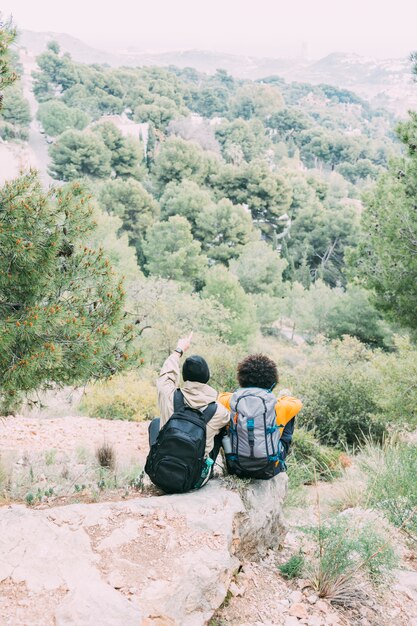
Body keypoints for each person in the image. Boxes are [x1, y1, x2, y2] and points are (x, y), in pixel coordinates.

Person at [145, 332, 230, 493]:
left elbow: (167, 374)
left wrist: (179, 349)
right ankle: (208, 468)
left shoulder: (168, 395)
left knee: (157, 423)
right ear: (207, 377)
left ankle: (161, 459)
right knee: (218, 432)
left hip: (159, 475)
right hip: (194, 480)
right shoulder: (219, 411)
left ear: (184, 377)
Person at [218, 353, 302, 479]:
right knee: (289, 418)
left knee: (222, 419)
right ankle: (279, 461)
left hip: (236, 467)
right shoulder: (280, 406)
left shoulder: (229, 401)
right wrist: (283, 396)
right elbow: (297, 403)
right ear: (272, 380)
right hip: (270, 469)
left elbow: (220, 396)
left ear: (241, 378)